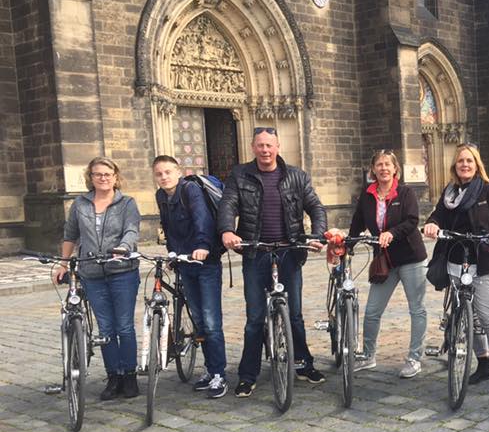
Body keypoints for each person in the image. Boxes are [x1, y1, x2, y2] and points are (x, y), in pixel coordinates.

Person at [218, 127, 328, 398]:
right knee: (255, 318)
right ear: (253, 147)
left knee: (295, 315)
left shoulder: (296, 176)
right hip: (256, 252)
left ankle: (303, 364)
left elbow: (315, 207)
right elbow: (228, 204)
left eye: (269, 145)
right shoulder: (239, 174)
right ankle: (248, 375)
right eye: (260, 145)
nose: (265, 150)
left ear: (278, 147)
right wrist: (227, 230)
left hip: (290, 251)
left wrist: (317, 235)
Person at [423, 144, 489, 397]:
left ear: (477, 165)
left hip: (483, 260)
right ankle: (484, 363)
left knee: (487, 317)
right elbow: (437, 215)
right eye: (460, 161)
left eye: (469, 161)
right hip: (455, 258)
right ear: (454, 166)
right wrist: (431, 224)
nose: (464, 165)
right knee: (467, 314)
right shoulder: (449, 193)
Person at [57, 157, 141, 400]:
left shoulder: (127, 203)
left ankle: (130, 376)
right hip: (91, 273)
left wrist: (123, 248)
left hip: (123, 271)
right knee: (105, 327)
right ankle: (113, 376)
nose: (103, 178)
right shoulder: (80, 204)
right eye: (97, 174)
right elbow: (70, 235)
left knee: (124, 326)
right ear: (90, 177)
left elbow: (132, 230)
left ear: (115, 176)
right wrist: (63, 264)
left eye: (107, 174)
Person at [153, 156, 228, 399]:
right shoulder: (161, 196)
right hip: (185, 263)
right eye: (159, 173)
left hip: (205, 262)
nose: (164, 177)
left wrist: (203, 246)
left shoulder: (190, 190)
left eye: (168, 172)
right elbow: (168, 228)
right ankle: (210, 369)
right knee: (198, 320)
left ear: (178, 172)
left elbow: (202, 219)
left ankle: (219, 374)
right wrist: (172, 254)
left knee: (211, 321)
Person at [350, 150, 428, 378]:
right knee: (372, 311)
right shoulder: (367, 195)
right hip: (385, 261)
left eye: (387, 164)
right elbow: (357, 224)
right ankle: (368, 355)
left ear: (395, 169)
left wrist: (392, 233)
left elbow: (412, 221)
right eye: (379, 165)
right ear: (373, 169)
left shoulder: (405, 193)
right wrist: (346, 245)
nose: (383, 168)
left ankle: (414, 358)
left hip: (411, 258)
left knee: (417, 309)